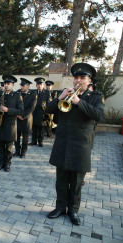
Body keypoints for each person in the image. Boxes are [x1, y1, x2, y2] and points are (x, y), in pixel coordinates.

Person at [46, 63, 105, 226]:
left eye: (82, 78)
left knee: (77, 182)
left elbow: (100, 115)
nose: (78, 80)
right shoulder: (65, 94)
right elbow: (48, 110)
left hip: (81, 144)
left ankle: (73, 210)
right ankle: (60, 207)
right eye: (76, 77)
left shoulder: (96, 97)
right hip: (63, 142)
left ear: (89, 80)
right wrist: (60, 97)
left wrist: (79, 101)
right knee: (61, 180)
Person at [0, 75, 23, 172]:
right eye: (5, 83)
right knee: (0, 146)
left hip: (10, 125)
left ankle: (7, 164)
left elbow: (20, 110)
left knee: (9, 148)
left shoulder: (17, 95)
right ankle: (1, 163)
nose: (6, 85)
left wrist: (8, 110)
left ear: (13, 85)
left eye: (8, 84)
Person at [14, 78, 37, 158]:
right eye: (21, 85)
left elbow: (32, 107)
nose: (21, 87)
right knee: (16, 137)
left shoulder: (33, 94)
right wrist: (17, 114)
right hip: (17, 118)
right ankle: (17, 150)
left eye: (23, 85)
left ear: (28, 86)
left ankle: (23, 152)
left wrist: (22, 116)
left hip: (26, 119)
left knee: (25, 138)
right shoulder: (17, 92)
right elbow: (14, 104)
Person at [30, 77, 49, 147]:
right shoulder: (33, 92)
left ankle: (40, 141)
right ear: (36, 85)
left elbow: (49, 103)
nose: (39, 85)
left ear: (43, 85)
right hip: (34, 113)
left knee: (41, 129)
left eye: (41, 84)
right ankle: (33, 141)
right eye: (38, 84)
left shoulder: (47, 93)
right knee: (34, 128)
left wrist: (47, 113)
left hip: (42, 113)